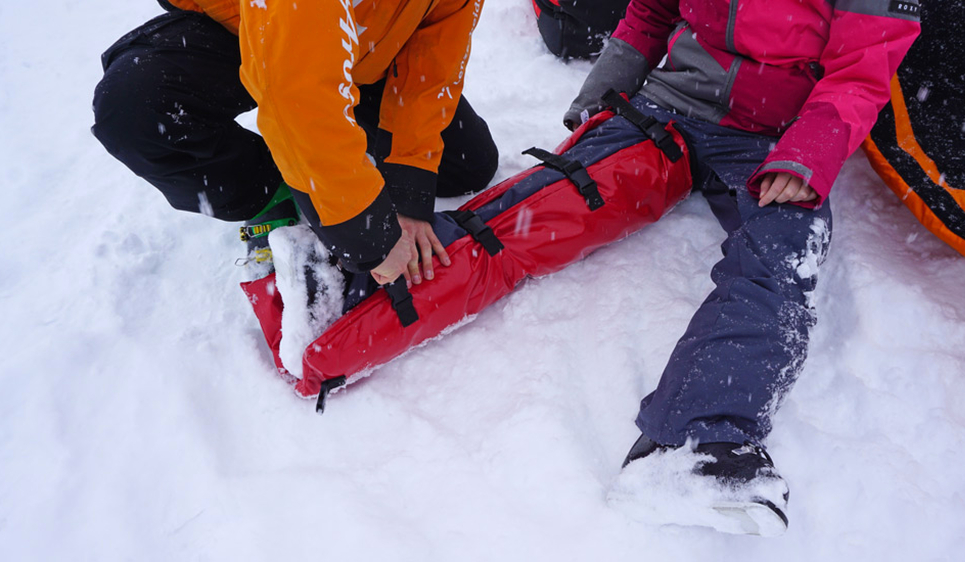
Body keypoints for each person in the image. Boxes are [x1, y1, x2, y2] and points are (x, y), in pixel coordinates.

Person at [562, 0, 920, 535]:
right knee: (535, 209)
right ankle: (397, 293)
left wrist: (806, 156)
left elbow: (860, 71)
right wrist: (596, 102)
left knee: (781, 254)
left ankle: (694, 449)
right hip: (669, 109)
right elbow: (650, 15)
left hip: (774, 136)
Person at [92, 0, 498, 287]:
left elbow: (433, 61)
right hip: (247, 25)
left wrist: (408, 191)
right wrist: (370, 237)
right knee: (135, 109)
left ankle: (332, 132)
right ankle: (274, 194)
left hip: (365, 47)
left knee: (468, 164)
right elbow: (295, 88)